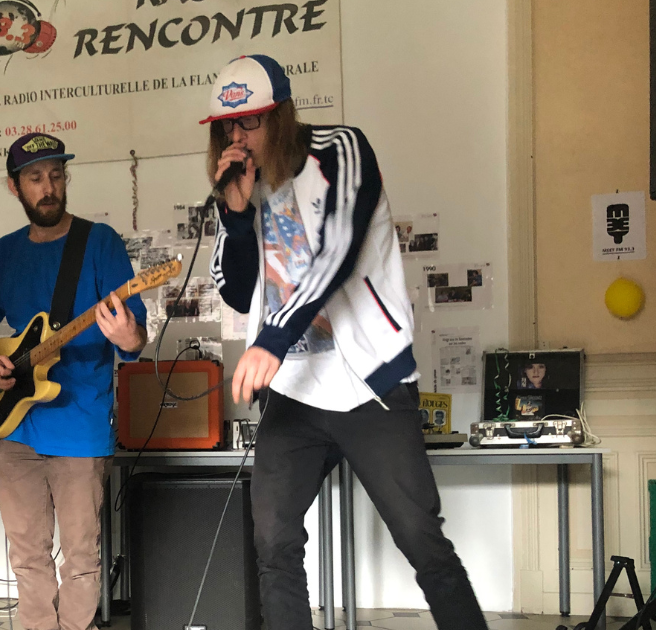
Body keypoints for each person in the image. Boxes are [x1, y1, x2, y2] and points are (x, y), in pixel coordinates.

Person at [204, 55, 487, 630]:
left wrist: (272, 340)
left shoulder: (340, 149)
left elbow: (337, 251)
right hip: (294, 392)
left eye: (250, 121)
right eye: (228, 126)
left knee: (422, 541)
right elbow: (235, 290)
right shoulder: (244, 186)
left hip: (369, 387)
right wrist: (234, 215)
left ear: (281, 115)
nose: (238, 138)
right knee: (274, 544)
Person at [0, 133, 148, 630]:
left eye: (57, 176)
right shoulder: (4, 253)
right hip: (15, 429)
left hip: (80, 427)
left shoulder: (100, 243)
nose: (49, 188)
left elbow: (135, 337)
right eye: (36, 178)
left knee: (81, 559)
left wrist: (128, 336)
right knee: (27, 557)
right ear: (14, 186)